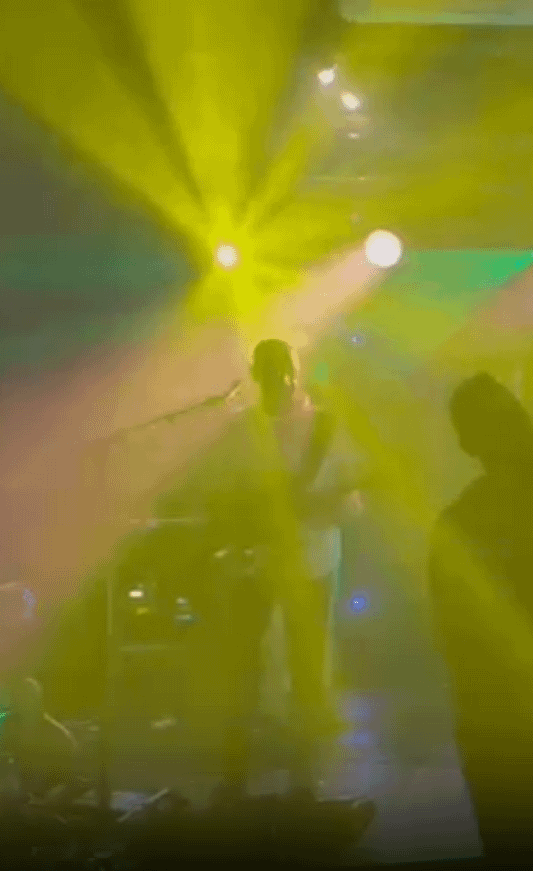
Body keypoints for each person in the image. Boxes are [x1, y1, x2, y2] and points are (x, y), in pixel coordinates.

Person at [428, 373, 533, 860]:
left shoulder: (465, 523)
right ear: (470, 443)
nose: (515, 423)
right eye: (500, 417)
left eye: (513, 411)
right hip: (518, 737)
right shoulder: (467, 525)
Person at [203, 339, 362, 804]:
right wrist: (247, 520)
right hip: (254, 562)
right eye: (271, 371)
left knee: (306, 671)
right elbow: (220, 498)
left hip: (311, 561)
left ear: (297, 371)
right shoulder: (242, 431)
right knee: (242, 669)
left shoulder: (327, 427)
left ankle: (305, 780)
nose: (282, 380)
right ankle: (234, 774)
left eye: (286, 370)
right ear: (257, 375)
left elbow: (351, 504)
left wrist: (316, 506)